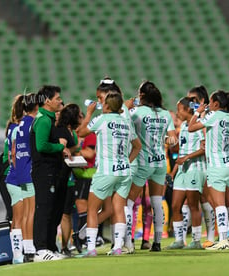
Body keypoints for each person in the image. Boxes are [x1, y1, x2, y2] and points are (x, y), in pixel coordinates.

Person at [77, 91, 141, 256]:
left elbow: (80, 132)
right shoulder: (126, 122)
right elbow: (137, 146)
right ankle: (118, 248)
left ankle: (91, 249)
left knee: (92, 209)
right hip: (124, 171)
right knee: (119, 208)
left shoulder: (102, 119)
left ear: (106, 105)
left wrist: (89, 113)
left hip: (106, 171)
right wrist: (128, 160)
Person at [125, 81, 177, 252]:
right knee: (156, 202)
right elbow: (173, 139)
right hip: (160, 162)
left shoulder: (136, 113)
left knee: (129, 202)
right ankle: (157, 242)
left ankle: (129, 243)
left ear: (141, 95)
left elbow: (123, 125)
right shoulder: (165, 114)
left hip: (142, 161)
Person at [188, 90, 229, 250]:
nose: (208, 105)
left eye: (210, 102)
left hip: (217, 166)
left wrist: (198, 113)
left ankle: (223, 240)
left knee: (219, 204)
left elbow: (191, 128)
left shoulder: (214, 116)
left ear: (216, 104)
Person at [30, 85, 68, 261]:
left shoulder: (46, 119)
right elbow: (41, 146)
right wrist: (60, 146)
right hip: (44, 171)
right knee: (44, 209)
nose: (60, 101)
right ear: (47, 101)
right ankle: (41, 249)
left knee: (51, 210)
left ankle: (50, 247)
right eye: (57, 98)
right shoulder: (44, 120)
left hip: (49, 170)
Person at [165, 96, 206, 249]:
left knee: (193, 205)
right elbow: (181, 151)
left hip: (195, 169)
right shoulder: (182, 126)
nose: (177, 113)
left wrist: (187, 157)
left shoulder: (200, 126)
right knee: (176, 206)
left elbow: (204, 149)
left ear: (188, 109)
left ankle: (196, 240)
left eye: (179, 109)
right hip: (182, 170)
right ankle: (179, 240)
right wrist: (173, 172)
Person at [187, 85, 216, 248]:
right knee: (204, 200)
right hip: (200, 163)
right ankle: (209, 236)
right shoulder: (196, 118)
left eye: (193, 100)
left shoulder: (208, 117)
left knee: (210, 200)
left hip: (210, 163)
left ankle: (213, 236)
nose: (191, 103)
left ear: (202, 101)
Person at [55, 103, 83, 256]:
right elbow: (63, 149)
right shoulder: (61, 131)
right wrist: (71, 151)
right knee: (58, 214)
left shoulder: (71, 132)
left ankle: (65, 247)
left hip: (69, 178)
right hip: (61, 177)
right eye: (79, 115)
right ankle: (54, 246)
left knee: (66, 214)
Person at [15, 93, 38, 263]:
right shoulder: (33, 123)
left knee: (25, 213)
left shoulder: (21, 123)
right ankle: (30, 249)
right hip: (30, 170)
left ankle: (25, 247)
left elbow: (15, 150)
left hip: (21, 171)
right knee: (31, 211)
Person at [5, 94, 26, 264]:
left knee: (19, 217)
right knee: (19, 218)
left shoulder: (13, 127)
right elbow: (13, 155)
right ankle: (17, 255)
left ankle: (19, 253)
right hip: (16, 179)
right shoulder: (18, 128)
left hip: (13, 178)